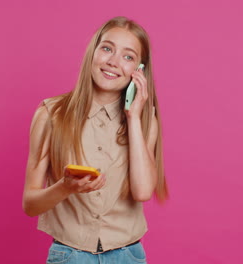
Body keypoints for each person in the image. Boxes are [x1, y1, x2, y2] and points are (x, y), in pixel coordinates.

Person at [22, 16, 168, 264]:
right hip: (70, 255)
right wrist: (65, 188)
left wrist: (133, 117)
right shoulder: (51, 114)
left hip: (128, 256)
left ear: (139, 71)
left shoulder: (145, 121)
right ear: (93, 52)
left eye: (128, 56)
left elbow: (143, 191)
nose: (113, 61)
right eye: (107, 48)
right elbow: (30, 205)